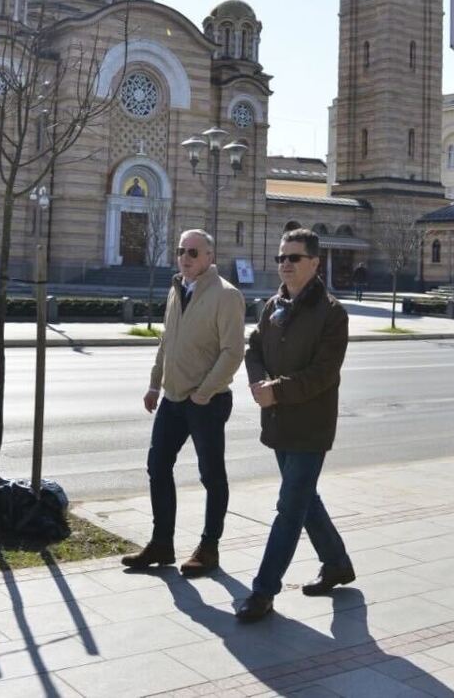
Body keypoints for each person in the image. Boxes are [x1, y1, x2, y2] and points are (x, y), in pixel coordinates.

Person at [236, 227, 355, 622]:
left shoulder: (332, 313)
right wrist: (258, 383)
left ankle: (263, 591)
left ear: (315, 263)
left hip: (310, 426)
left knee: (289, 507)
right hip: (277, 421)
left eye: (293, 258)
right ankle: (337, 563)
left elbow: (324, 373)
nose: (284, 264)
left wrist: (278, 390)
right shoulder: (273, 305)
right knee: (304, 499)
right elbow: (254, 348)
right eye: (280, 258)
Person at [122, 229, 245, 577]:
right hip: (173, 398)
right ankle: (162, 543)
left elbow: (233, 352)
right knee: (158, 466)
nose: (185, 258)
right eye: (181, 251)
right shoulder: (177, 289)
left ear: (209, 256)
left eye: (193, 252)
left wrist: (204, 392)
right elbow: (167, 341)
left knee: (212, 475)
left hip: (208, 400)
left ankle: (209, 548)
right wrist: (154, 384)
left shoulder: (226, 295)